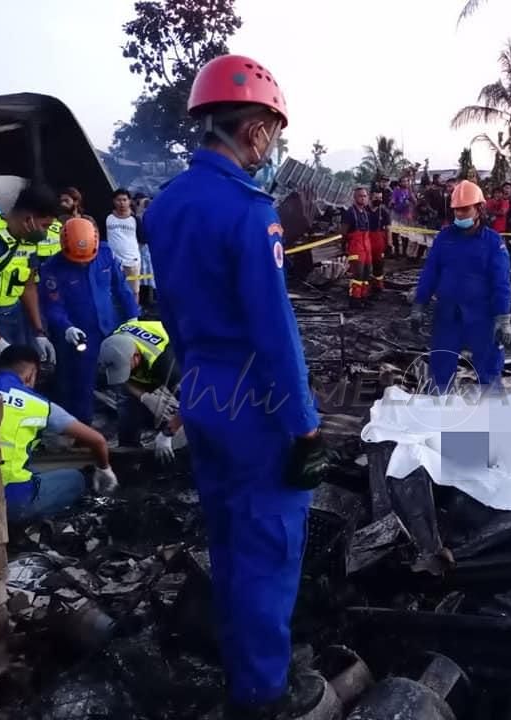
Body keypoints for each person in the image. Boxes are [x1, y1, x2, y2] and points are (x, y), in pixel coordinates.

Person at [143, 54, 334, 718]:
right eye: (273, 132)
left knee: (227, 536)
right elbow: (274, 333)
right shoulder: (253, 213)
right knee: (269, 545)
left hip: (202, 391)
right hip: (256, 402)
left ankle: (243, 658)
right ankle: (262, 692)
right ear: (254, 130)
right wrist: (305, 424)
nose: (272, 146)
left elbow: (166, 310)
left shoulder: (165, 206)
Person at [0, 345, 118, 524]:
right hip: (8, 503)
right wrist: (104, 469)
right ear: (31, 374)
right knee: (75, 479)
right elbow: (98, 441)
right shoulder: (37, 404)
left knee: (30, 470)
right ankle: (21, 527)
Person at [410, 180, 511, 392]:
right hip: (447, 316)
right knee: (440, 371)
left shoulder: (493, 242)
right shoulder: (444, 238)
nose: (460, 215)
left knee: (490, 371)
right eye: (457, 210)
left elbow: (501, 283)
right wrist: (419, 305)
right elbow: (430, 273)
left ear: (479, 209)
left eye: (465, 209)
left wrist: (503, 318)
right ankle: (437, 416)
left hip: (482, 317)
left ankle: (494, 418)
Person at [39, 217, 140, 424]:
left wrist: (133, 318)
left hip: (110, 327)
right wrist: (66, 327)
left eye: (87, 258)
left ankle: (126, 426)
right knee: (79, 381)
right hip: (79, 334)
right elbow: (53, 306)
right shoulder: (53, 268)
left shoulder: (105, 254)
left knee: (125, 376)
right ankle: (81, 427)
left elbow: (121, 289)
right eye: (79, 260)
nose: (84, 263)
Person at [0, 185, 59, 370]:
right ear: (28, 219)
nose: (45, 233)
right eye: (45, 225)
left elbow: (28, 286)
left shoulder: (29, 240)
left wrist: (39, 332)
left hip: (14, 318)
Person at [98, 320, 184, 461]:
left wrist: (167, 434)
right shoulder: (109, 345)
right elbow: (121, 380)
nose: (124, 373)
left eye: (126, 369)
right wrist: (144, 396)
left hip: (173, 356)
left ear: (136, 356)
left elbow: (192, 403)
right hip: (145, 365)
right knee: (127, 407)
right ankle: (128, 454)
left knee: (195, 415)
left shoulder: (166, 363)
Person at [105, 189, 142, 302]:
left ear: (129, 201)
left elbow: (142, 239)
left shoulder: (135, 220)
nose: (122, 203)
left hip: (132, 261)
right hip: (113, 261)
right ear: (114, 201)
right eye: (119, 200)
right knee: (113, 290)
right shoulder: (107, 218)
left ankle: (134, 315)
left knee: (134, 291)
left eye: (124, 200)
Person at [340, 188, 372, 308]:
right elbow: (343, 232)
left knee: (366, 274)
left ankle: (363, 297)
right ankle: (355, 300)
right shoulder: (349, 213)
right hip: (356, 247)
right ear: (355, 198)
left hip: (366, 247)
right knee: (357, 274)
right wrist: (344, 248)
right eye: (360, 196)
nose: (363, 198)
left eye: (364, 196)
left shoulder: (365, 212)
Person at [367, 190, 391, 293]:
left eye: (380, 198)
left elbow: (389, 228)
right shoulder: (363, 210)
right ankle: (365, 285)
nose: (379, 200)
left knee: (379, 264)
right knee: (365, 264)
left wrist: (389, 243)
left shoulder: (384, 211)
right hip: (365, 239)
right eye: (376, 198)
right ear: (370, 198)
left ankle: (378, 285)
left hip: (379, 240)